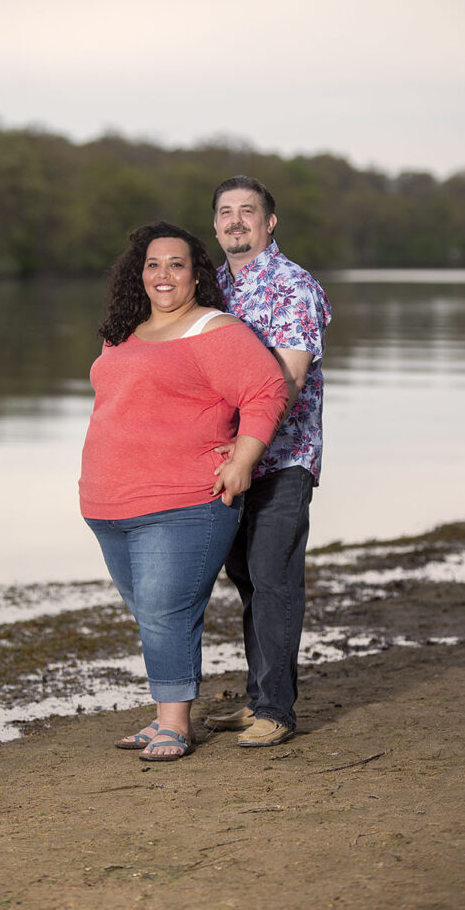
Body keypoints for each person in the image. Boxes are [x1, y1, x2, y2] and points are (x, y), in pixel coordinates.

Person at [79, 221, 288, 762]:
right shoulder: (122, 331)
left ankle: (174, 723)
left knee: (166, 609)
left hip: (183, 502)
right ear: (138, 275)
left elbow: (267, 391)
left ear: (197, 275)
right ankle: (167, 715)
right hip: (109, 502)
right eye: (153, 264)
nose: (163, 274)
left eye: (176, 264)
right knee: (150, 611)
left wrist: (243, 459)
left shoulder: (215, 330)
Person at [204, 176, 332, 747]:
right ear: (214, 224)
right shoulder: (210, 290)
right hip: (224, 460)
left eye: (248, 211)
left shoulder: (292, 285)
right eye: (226, 212)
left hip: (282, 458)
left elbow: (288, 378)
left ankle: (277, 710)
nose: (236, 221)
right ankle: (258, 696)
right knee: (247, 579)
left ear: (269, 222)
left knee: (274, 577)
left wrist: (247, 447)